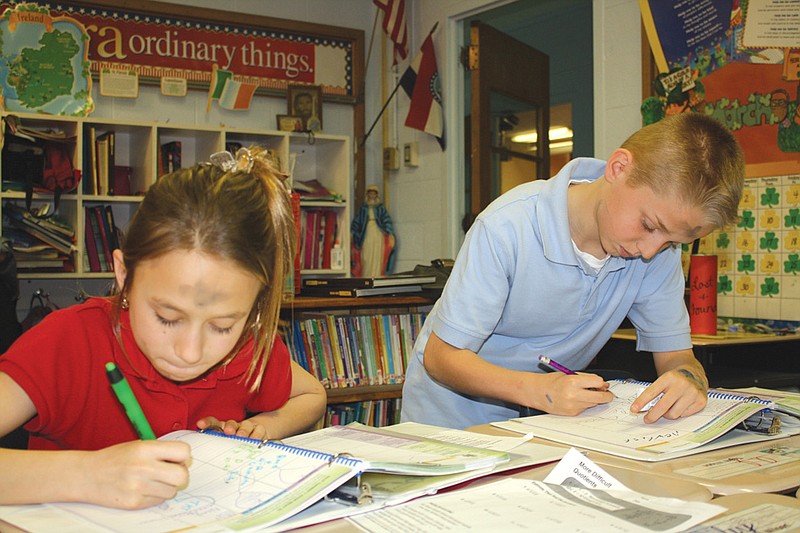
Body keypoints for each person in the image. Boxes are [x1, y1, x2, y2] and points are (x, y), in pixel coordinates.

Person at [0, 146, 327, 509]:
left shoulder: (244, 349)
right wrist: (88, 474)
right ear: (124, 275)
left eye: (222, 325)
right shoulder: (68, 341)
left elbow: (312, 395)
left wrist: (264, 428)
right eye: (167, 318)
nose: (190, 352)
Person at [401, 113, 745, 430]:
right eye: (649, 225)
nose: (651, 250)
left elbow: (677, 356)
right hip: (451, 423)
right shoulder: (507, 226)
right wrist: (539, 390)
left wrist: (688, 379)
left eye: (672, 241)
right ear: (618, 168)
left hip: (547, 422)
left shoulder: (656, 251)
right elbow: (441, 358)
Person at [351, 185, 396, 277]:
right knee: (366, 254)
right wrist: (353, 232)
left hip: (378, 232)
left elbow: (386, 220)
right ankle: (366, 275)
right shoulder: (363, 209)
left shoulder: (380, 208)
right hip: (366, 232)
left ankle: (376, 274)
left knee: (377, 254)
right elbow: (357, 222)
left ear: (376, 195)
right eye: (370, 193)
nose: (372, 195)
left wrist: (389, 232)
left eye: (374, 194)